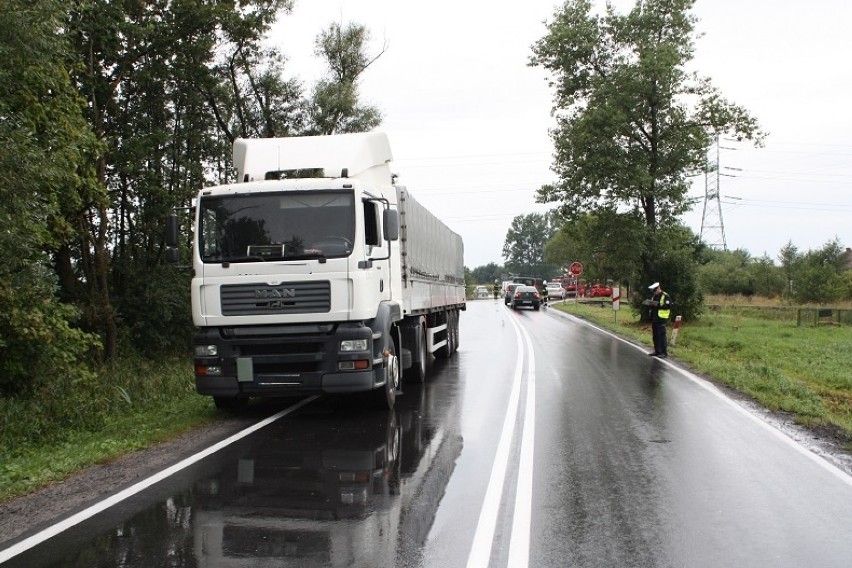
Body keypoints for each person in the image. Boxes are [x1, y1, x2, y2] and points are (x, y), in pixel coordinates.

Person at [644, 282, 672, 357]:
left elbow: (668, 306)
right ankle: (657, 351)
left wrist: (658, 305)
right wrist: (650, 304)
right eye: (653, 291)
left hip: (662, 318)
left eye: (655, 290)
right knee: (655, 335)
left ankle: (664, 352)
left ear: (659, 288)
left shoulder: (665, 296)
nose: (654, 292)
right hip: (655, 318)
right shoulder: (654, 296)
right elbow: (654, 306)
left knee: (662, 335)